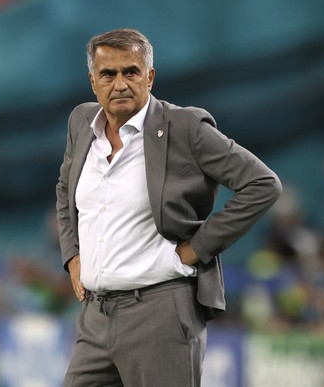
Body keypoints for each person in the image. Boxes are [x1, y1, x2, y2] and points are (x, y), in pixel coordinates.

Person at [55, 28, 282, 386]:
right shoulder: (81, 123)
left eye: (130, 71)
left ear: (150, 76)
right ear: (92, 82)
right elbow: (65, 188)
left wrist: (196, 249)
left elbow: (262, 184)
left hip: (159, 312)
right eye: (108, 74)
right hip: (95, 317)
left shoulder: (184, 127)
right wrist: (72, 255)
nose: (120, 84)